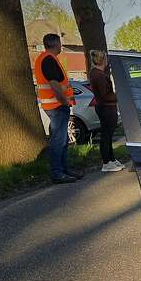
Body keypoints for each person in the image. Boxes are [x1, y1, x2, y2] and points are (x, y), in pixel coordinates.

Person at [34, 33, 81, 184]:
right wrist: (64, 100)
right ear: (55, 44)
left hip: (56, 105)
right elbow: (54, 85)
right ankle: (57, 173)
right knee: (58, 140)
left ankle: (63, 169)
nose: (61, 46)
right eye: (60, 43)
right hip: (56, 105)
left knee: (63, 139)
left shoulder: (48, 58)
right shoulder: (48, 59)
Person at [87, 50, 124, 172]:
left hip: (105, 107)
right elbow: (104, 95)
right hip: (106, 107)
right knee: (106, 135)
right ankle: (106, 162)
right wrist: (118, 96)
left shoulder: (96, 73)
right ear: (104, 60)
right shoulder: (99, 75)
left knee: (108, 135)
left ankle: (111, 159)